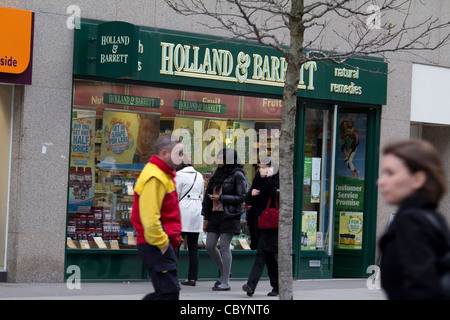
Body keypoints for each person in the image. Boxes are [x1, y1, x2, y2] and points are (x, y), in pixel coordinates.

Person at [378, 139, 449, 300]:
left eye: (390, 173)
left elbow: (423, 290)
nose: (381, 181)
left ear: (418, 179)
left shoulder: (411, 222)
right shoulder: (432, 217)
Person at [131, 134, 184, 300]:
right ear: (165, 153)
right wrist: (163, 244)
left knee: (166, 292)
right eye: (179, 153)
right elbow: (149, 218)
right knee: (169, 293)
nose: (182, 157)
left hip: (160, 242)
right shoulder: (155, 177)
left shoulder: (162, 174)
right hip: (156, 243)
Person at [202, 148, 246, 291]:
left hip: (229, 215)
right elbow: (207, 198)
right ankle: (225, 272)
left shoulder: (238, 175)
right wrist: (206, 217)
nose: (218, 161)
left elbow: (241, 198)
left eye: (222, 158)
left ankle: (225, 282)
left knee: (225, 247)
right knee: (209, 245)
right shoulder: (217, 175)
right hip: (215, 215)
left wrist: (220, 198)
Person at [242, 156, 279, 297]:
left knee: (261, 253)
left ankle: (250, 285)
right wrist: (251, 194)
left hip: (271, 224)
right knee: (269, 257)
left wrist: (269, 180)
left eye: (263, 167)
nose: (260, 170)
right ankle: (277, 285)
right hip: (258, 222)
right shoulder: (258, 179)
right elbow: (249, 200)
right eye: (259, 167)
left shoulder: (276, 180)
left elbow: (275, 196)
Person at [175, 156, 205, 286]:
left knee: (175, 246)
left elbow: (175, 195)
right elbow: (202, 195)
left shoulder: (178, 175)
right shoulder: (199, 176)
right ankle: (192, 278)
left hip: (182, 212)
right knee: (193, 247)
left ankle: (172, 276)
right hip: (197, 211)